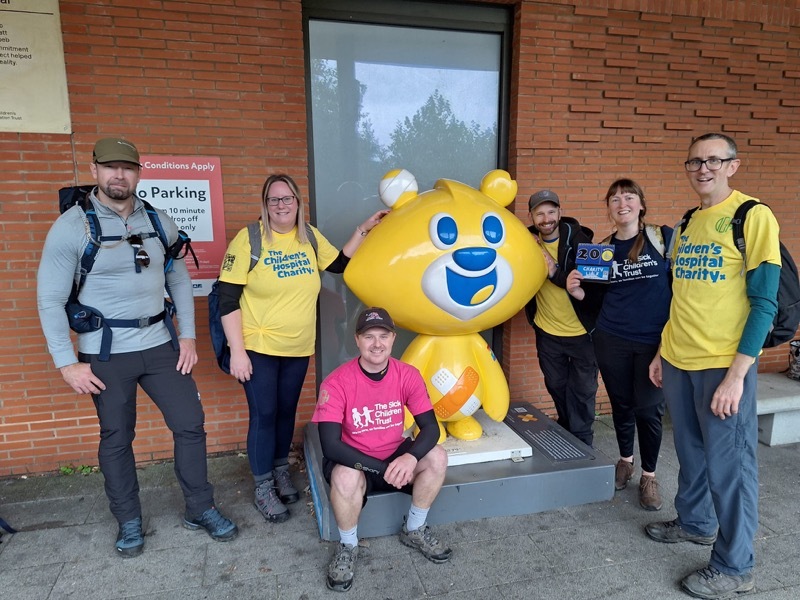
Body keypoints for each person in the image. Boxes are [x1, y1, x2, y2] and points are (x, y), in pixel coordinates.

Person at [36, 138, 238, 558]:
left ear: (138, 172)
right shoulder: (72, 226)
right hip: (105, 352)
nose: (118, 175)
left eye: (126, 168)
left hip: (161, 344)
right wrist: (65, 363)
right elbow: (50, 299)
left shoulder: (159, 220)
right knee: (116, 437)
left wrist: (187, 335)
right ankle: (128, 519)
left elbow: (178, 279)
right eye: (109, 167)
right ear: (94, 170)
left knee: (190, 423)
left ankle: (200, 508)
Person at [646, 133, 780, 599]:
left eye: (713, 161)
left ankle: (734, 565)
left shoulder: (752, 216)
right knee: (691, 454)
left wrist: (738, 376)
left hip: (723, 366)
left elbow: (764, 303)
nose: (703, 169)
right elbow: (681, 296)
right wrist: (662, 352)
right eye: (694, 162)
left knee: (732, 467)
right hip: (680, 362)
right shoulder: (687, 223)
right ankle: (696, 522)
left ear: (733, 165)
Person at [217, 174, 388, 524]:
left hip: (297, 347)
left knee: (285, 412)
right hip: (258, 346)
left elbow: (338, 265)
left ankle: (280, 469)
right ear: (265, 205)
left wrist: (365, 228)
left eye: (287, 199)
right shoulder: (249, 239)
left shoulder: (307, 236)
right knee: (263, 414)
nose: (282, 205)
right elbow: (226, 297)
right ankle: (263, 485)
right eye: (274, 200)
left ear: (298, 202)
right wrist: (237, 351)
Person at [312, 307, 451, 592]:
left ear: (393, 339)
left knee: (437, 456)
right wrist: (383, 469)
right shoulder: (337, 382)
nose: (377, 343)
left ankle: (414, 529)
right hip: (353, 458)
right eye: (369, 336)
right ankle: (348, 547)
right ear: (357, 340)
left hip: (393, 453)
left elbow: (431, 429)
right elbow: (330, 446)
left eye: (383, 336)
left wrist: (410, 458)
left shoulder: (407, 375)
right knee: (344, 477)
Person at [565, 179, 672, 511]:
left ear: (641, 204)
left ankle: (650, 476)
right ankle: (625, 460)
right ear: (608, 207)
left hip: (653, 342)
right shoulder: (602, 249)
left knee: (649, 410)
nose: (621, 203)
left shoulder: (664, 238)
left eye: (628, 197)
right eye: (614, 199)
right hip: (612, 339)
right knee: (621, 405)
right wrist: (577, 292)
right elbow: (595, 298)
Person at [524, 189, 601, 446]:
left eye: (550, 212)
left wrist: (554, 268)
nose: (546, 219)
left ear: (559, 212)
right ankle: (568, 430)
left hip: (582, 333)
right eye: (539, 213)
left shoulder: (581, 241)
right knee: (556, 385)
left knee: (583, 391)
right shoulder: (526, 243)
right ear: (532, 217)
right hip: (547, 332)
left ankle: (583, 443)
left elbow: (594, 288)